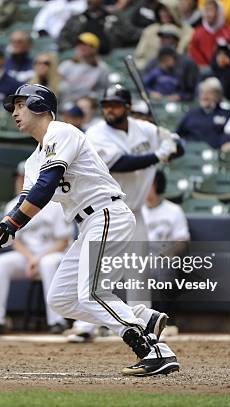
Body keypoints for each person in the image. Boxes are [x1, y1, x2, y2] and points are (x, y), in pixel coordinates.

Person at [0, 83, 180, 376]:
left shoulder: (62, 132)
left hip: (107, 213)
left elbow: (46, 188)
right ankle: (140, 317)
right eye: (14, 108)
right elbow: (26, 199)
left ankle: (152, 350)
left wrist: (11, 225)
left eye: (20, 105)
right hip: (89, 224)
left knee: (91, 292)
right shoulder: (34, 159)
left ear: (39, 106)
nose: (14, 113)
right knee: (61, 297)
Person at [70, 84, 182, 343]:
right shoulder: (96, 133)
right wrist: (158, 154)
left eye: (115, 104)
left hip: (135, 211)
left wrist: (172, 141)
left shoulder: (144, 129)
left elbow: (180, 150)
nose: (110, 109)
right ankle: (84, 327)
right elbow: (122, 163)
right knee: (93, 272)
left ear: (127, 107)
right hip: (102, 212)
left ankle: (144, 326)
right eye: (106, 105)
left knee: (137, 273)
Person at [0, 161, 72, 335]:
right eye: (18, 178)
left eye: (23, 177)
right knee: (2, 263)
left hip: (54, 256)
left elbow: (63, 242)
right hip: (28, 258)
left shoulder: (55, 203)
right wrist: (30, 258)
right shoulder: (12, 205)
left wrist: (38, 259)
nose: (19, 181)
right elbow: (16, 241)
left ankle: (57, 322)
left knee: (48, 264)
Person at [58, 0, 140, 55]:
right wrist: (74, 54)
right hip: (83, 59)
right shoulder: (77, 19)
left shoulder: (114, 18)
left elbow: (132, 35)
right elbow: (63, 40)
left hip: (110, 58)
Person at [133, 0, 194, 69]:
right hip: (148, 71)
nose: (164, 14)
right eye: (161, 10)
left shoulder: (188, 32)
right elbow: (139, 57)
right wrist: (147, 67)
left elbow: (190, 59)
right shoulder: (150, 31)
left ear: (175, 11)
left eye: (167, 10)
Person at [176, 77, 230, 149]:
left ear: (218, 95)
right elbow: (178, 133)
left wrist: (227, 141)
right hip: (191, 153)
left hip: (215, 154)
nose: (204, 96)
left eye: (209, 93)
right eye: (202, 92)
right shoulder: (191, 114)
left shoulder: (227, 114)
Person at [58, 32, 110, 105]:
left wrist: (91, 97)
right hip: (65, 103)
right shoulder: (67, 64)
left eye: (85, 45)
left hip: (88, 105)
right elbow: (56, 84)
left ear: (94, 48)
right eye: (79, 44)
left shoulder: (102, 68)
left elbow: (105, 91)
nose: (81, 47)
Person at [142, 170, 190, 242]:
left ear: (157, 185)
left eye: (147, 183)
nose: (142, 187)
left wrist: (169, 253)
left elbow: (183, 241)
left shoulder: (174, 210)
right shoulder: (136, 211)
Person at [188, 0, 230, 67]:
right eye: (206, 10)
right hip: (203, 70)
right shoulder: (197, 33)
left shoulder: (229, 33)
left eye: (211, 10)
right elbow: (195, 56)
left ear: (219, 12)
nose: (208, 14)